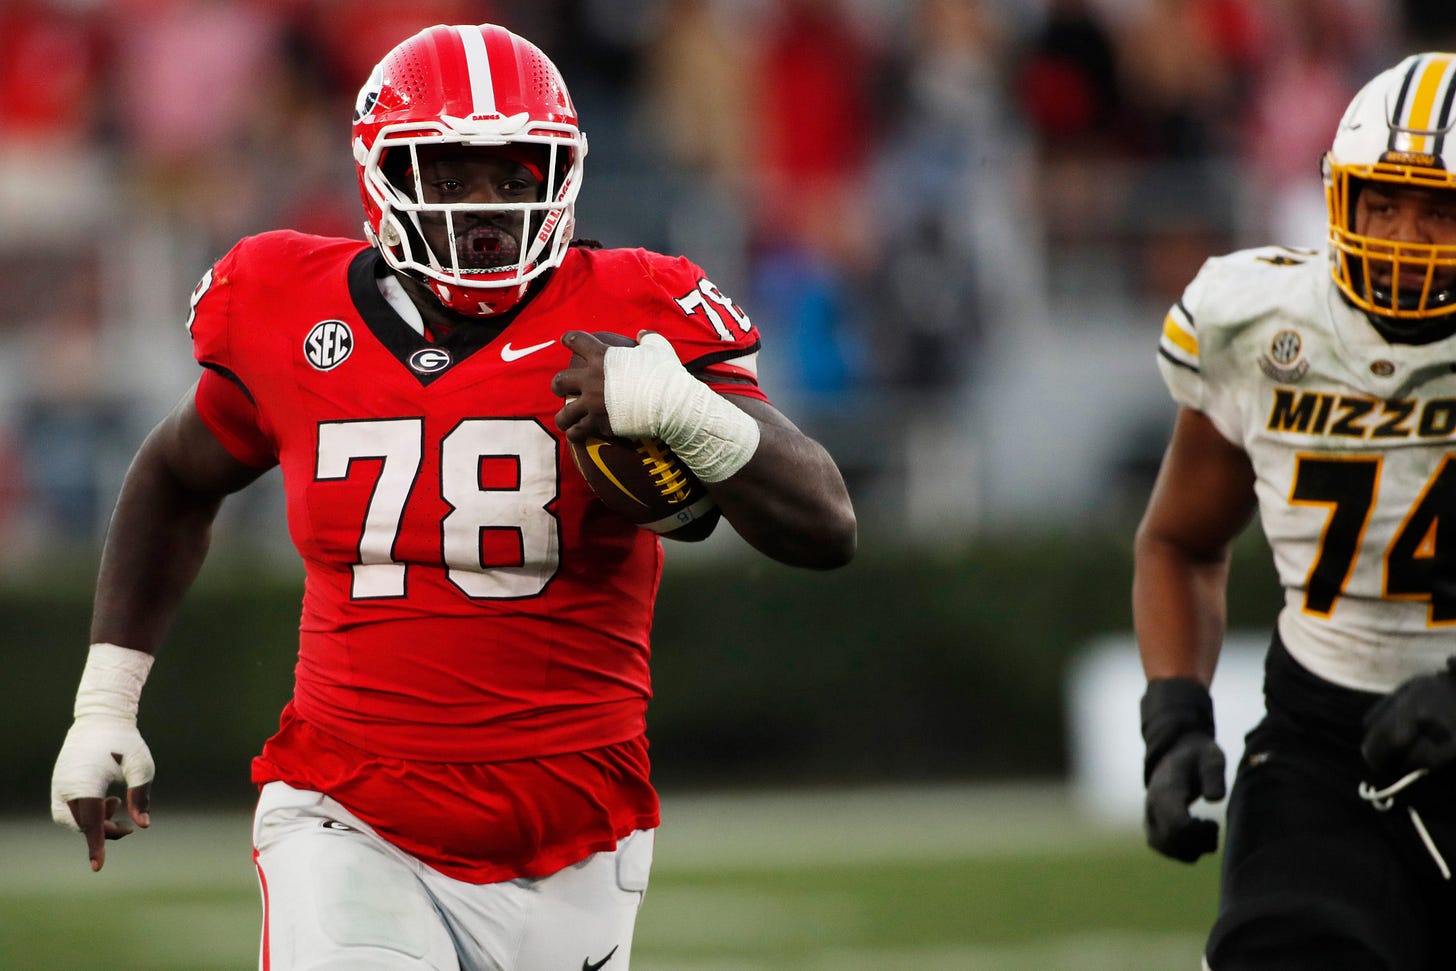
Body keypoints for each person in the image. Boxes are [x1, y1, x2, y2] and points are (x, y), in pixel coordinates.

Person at [48, 23, 856, 971]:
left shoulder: (638, 309)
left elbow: (824, 524)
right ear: (381, 175)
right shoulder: (283, 301)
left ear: (563, 173)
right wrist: (105, 702)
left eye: (517, 174)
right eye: (452, 174)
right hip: (350, 812)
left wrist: (683, 407)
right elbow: (175, 475)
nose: (487, 206)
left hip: (580, 828)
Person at [1134, 51, 1456, 969]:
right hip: (1325, 744)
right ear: (1338, 199)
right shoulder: (1262, 322)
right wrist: (1174, 719)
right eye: (1383, 202)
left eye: (1439, 209)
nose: (1404, 235)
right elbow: (1179, 542)